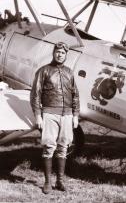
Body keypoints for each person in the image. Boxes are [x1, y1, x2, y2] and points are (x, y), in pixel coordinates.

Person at [30, 41, 80, 194]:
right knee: (49, 146)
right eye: (57, 52)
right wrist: (38, 115)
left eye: (63, 53)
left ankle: (60, 180)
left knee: (63, 146)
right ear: (53, 53)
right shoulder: (43, 71)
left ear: (66, 55)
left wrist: (75, 115)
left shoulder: (69, 72)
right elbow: (35, 95)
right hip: (50, 113)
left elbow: (75, 95)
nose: (60, 54)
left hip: (67, 115)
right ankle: (47, 182)